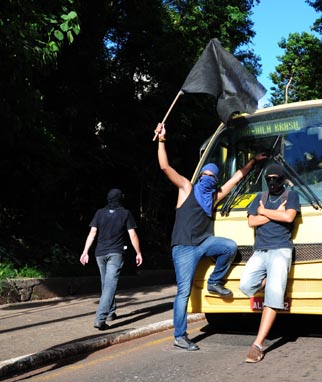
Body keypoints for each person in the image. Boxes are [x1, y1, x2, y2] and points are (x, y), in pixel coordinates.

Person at [154, 122, 266, 351]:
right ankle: (179, 335)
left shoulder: (214, 197)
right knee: (183, 291)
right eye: (205, 174)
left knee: (229, 247)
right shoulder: (186, 187)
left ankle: (215, 282)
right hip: (184, 247)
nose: (207, 177)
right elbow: (165, 167)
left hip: (204, 243)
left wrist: (254, 161)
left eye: (211, 176)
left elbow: (236, 178)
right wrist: (162, 140)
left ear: (215, 179)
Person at [239, 164, 301, 363]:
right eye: (269, 178)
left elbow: (289, 216)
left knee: (274, 297)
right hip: (260, 250)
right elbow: (251, 222)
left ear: (282, 179)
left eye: (276, 178)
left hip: (281, 250)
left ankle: (257, 345)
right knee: (246, 286)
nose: (272, 182)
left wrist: (263, 212)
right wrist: (273, 214)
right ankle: (267, 280)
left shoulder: (291, 196)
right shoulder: (260, 197)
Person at [80, 188, 143, 330]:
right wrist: (138, 252)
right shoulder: (125, 213)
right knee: (109, 285)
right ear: (121, 198)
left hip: (99, 254)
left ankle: (111, 311)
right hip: (115, 253)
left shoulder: (99, 213)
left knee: (106, 284)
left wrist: (85, 252)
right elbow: (132, 235)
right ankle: (100, 318)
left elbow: (92, 233)